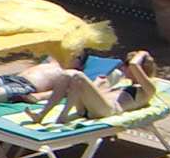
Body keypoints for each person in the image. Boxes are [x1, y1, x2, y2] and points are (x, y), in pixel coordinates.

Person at [28, 50, 158, 124]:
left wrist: (143, 53)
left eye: (126, 64)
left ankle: (62, 116)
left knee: (76, 75)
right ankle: (42, 114)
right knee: (69, 76)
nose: (123, 67)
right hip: (88, 108)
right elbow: (96, 95)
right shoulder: (121, 85)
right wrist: (97, 84)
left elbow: (134, 64)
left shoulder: (148, 89)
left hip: (107, 111)